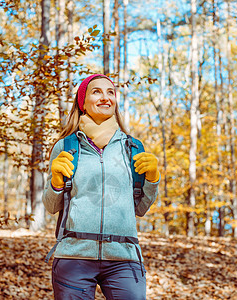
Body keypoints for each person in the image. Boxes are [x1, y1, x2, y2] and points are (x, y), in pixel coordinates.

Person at [43, 74, 160, 300]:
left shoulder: (132, 147)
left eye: (110, 92)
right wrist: (56, 182)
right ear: (82, 102)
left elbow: (141, 208)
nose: (105, 97)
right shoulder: (66, 146)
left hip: (124, 258)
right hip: (74, 257)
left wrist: (153, 178)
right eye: (96, 91)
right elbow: (51, 205)